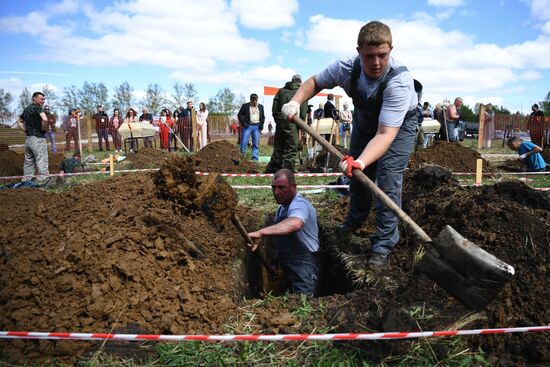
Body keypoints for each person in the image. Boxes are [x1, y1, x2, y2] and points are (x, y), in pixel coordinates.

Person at [281, 21, 418, 268]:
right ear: (359, 52)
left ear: (391, 50)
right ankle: (355, 220)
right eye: (369, 56)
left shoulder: (400, 82)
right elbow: (314, 82)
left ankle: (384, 243)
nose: (376, 62)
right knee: (357, 178)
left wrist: (361, 161)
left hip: (399, 127)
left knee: (387, 177)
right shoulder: (345, 67)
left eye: (382, 55)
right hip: (366, 119)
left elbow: (386, 134)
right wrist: (295, 101)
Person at [247, 169, 320, 296]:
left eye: (281, 187)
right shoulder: (281, 209)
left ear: (293, 187)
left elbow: (295, 223)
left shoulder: (299, 204)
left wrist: (261, 232)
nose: (276, 192)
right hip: (289, 264)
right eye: (273, 188)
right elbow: (281, 238)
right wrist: (275, 261)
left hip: (304, 264)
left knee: (304, 302)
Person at [265, 74, 308, 173]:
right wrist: (298, 124)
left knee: (279, 146)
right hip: (293, 121)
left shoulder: (281, 91)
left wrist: (278, 119)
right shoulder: (302, 92)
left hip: (280, 120)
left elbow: (274, 109)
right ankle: (288, 169)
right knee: (292, 147)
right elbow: (303, 111)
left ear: (292, 81)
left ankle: (273, 168)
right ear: (300, 82)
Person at [16, 91, 50, 183]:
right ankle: (43, 179)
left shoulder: (26, 109)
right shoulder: (38, 109)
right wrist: (44, 128)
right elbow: (45, 119)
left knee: (28, 160)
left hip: (28, 139)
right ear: (34, 98)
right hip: (38, 138)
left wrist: (25, 130)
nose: (43, 101)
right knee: (41, 158)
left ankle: (27, 180)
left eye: (44, 99)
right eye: (41, 99)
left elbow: (19, 121)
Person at [237, 93, 265, 161]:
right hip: (248, 126)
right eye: (253, 100)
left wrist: (261, 127)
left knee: (255, 143)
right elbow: (239, 115)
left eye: (256, 100)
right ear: (251, 100)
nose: (255, 102)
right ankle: (241, 157)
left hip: (256, 127)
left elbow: (263, 117)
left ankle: (255, 158)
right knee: (244, 142)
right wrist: (244, 123)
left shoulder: (261, 106)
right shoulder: (245, 106)